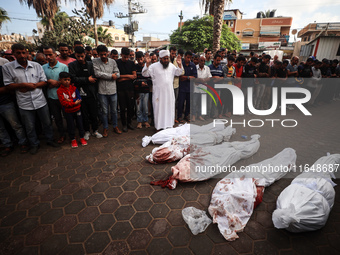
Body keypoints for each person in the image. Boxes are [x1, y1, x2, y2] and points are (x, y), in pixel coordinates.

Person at [2, 43, 59, 154]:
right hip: (24, 103)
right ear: (14, 54)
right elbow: (8, 85)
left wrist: (34, 86)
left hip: (40, 100)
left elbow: (44, 81)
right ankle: (34, 144)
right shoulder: (7, 68)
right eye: (18, 53)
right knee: (29, 126)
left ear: (27, 53)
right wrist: (22, 85)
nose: (22, 55)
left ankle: (50, 139)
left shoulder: (36, 66)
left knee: (47, 122)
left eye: (24, 52)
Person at [142, 50, 183, 130]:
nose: (166, 60)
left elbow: (178, 73)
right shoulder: (153, 66)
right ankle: (159, 128)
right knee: (159, 111)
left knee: (169, 110)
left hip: (169, 94)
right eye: (164, 59)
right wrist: (147, 64)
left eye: (167, 58)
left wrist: (179, 64)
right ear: (160, 58)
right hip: (158, 94)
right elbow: (145, 73)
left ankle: (169, 126)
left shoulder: (171, 66)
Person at [69, 46, 102, 140]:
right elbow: (73, 79)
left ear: (85, 55)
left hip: (91, 93)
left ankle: (95, 130)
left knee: (93, 113)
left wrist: (86, 80)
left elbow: (94, 77)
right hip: (79, 94)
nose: (80, 58)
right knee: (84, 114)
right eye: (78, 56)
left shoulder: (90, 64)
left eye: (82, 56)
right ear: (75, 55)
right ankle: (86, 131)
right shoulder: (72, 65)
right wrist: (87, 79)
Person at [93, 45, 122, 137]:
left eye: (105, 54)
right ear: (98, 54)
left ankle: (115, 126)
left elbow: (118, 73)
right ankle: (105, 128)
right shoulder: (95, 62)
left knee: (114, 110)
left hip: (113, 90)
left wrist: (115, 75)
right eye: (101, 55)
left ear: (107, 53)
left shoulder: (113, 62)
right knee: (104, 111)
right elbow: (97, 74)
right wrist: (111, 76)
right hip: (102, 91)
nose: (103, 56)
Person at [0, 65, 29, 156]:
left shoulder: (2, 69)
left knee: (15, 124)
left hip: (5, 103)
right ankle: (7, 144)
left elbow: (9, 86)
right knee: (0, 128)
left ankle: (23, 143)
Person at [42, 46, 68, 144]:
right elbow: (41, 81)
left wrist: (58, 83)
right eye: (46, 55)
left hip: (63, 96)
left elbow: (67, 80)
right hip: (51, 97)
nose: (48, 57)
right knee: (57, 118)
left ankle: (71, 133)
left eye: (50, 54)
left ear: (55, 54)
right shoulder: (43, 68)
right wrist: (49, 81)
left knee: (67, 116)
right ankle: (62, 134)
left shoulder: (63, 67)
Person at [57, 72, 87, 148]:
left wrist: (70, 100)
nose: (67, 81)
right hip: (68, 111)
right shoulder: (60, 91)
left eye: (68, 80)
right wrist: (74, 102)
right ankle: (73, 139)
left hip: (77, 110)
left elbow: (79, 98)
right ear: (60, 80)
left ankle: (82, 137)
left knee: (80, 124)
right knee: (71, 125)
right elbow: (63, 102)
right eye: (65, 80)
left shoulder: (74, 88)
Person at [116, 47, 137, 132]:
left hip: (130, 88)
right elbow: (117, 77)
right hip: (120, 89)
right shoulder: (117, 63)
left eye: (127, 57)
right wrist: (128, 76)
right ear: (121, 55)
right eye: (125, 57)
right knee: (122, 107)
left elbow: (134, 76)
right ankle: (124, 124)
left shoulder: (131, 63)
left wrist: (123, 77)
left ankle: (129, 123)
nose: (126, 58)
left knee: (130, 107)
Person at [177, 51, 197, 123]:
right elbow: (180, 77)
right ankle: (179, 116)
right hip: (182, 88)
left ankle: (186, 116)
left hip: (190, 88)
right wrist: (189, 77)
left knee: (188, 103)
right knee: (180, 103)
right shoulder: (180, 64)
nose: (189, 59)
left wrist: (186, 77)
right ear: (184, 56)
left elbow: (194, 77)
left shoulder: (193, 65)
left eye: (190, 58)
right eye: (187, 57)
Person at [134, 51, 151, 128]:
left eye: (141, 59)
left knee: (146, 107)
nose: (140, 61)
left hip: (146, 90)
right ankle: (139, 121)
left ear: (144, 58)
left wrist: (146, 83)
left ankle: (146, 121)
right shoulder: (135, 67)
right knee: (138, 107)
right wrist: (140, 83)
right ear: (136, 59)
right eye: (138, 59)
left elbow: (151, 78)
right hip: (138, 91)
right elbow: (133, 80)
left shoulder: (148, 67)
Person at [193, 55, 212, 121]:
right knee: (194, 103)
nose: (203, 62)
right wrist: (198, 80)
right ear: (198, 61)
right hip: (196, 88)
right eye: (201, 60)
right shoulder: (195, 67)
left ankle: (199, 115)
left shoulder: (207, 68)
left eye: (204, 61)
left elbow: (209, 77)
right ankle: (193, 115)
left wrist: (203, 80)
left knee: (201, 103)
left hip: (203, 88)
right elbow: (193, 78)